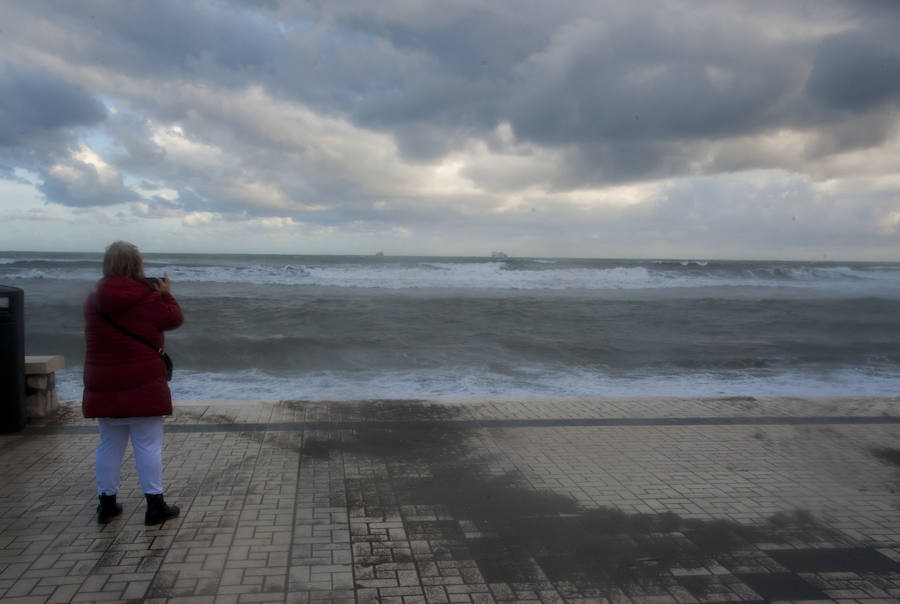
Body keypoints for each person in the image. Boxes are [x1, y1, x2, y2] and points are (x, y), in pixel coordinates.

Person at [83, 241, 183, 525]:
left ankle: (106, 504)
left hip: (102, 383)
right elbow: (174, 320)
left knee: (109, 444)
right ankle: (155, 506)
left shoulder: (93, 302)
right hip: (143, 384)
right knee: (147, 446)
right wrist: (166, 296)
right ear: (138, 266)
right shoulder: (149, 298)